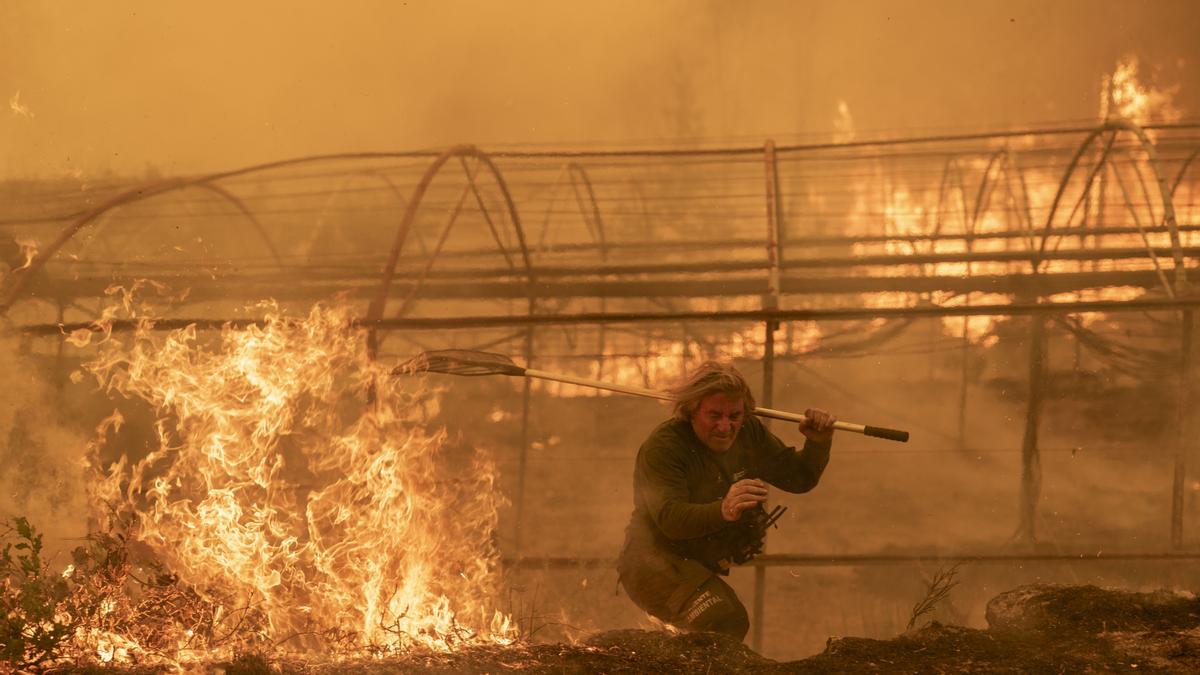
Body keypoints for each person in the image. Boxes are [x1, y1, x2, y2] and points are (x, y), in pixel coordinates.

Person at [616, 360, 836, 641]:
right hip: (650, 562)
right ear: (691, 411)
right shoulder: (664, 447)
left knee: (722, 624)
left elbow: (798, 478)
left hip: (691, 562)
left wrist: (818, 443)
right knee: (723, 620)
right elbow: (670, 520)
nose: (725, 427)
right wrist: (723, 509)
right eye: (714, 415)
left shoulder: (749, 431)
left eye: (734, 415)